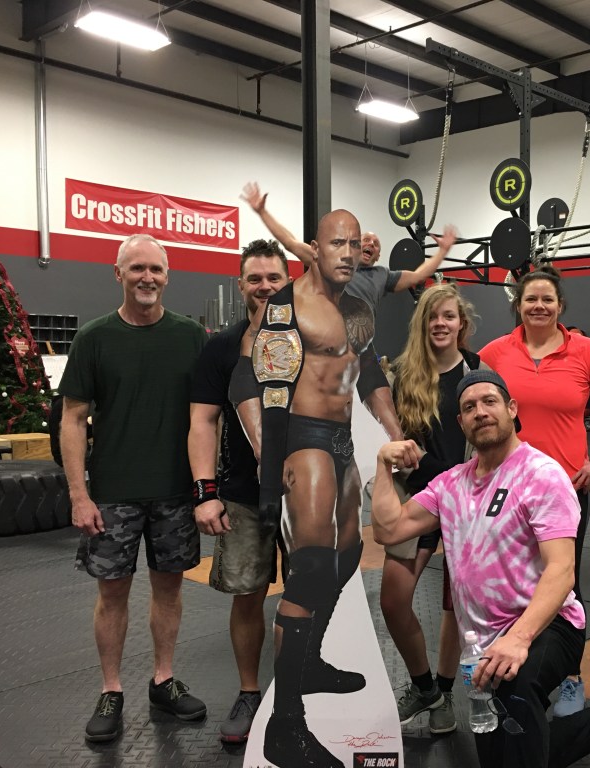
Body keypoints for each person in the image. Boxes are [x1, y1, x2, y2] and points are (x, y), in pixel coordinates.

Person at [370, 369, 590, 767]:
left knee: (516, 692)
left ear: (511, 409)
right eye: (469, 407)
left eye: (489, 401)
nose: (480, 412)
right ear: (461, 423)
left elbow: (562, 570)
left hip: (549, 625)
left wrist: (519, 638)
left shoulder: (542, 475)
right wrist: (382, 467)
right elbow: (388, 530)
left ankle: (575, 711)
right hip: (484, 643)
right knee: (510, 751)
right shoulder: (450, 484)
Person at [229, 209, 406, 768]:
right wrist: (270, 455)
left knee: (347, 555)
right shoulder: (287, 306)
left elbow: (369, 374)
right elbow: (252, 382)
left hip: (341, 439)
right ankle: (285, 726)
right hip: (301, 438)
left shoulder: (357, 308)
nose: (347, 253)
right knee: (309, 568)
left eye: (354, 243)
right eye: (337, 243)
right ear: (314, 248)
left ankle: (307, 665)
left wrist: (396, 433)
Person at [60, 234, 209, 743]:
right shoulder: (94, 338)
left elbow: (207, 417)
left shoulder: (191, 337)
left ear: (167, 276)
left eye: (156, 269)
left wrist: (205, 489)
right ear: (118, 273)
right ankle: (111, 689)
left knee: (170, 589)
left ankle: (163, 680)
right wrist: (79, 494)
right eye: (137, 268)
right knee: (112, 594)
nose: (148, 277)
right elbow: (73, 419)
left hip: (175, 492)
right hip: (112, 494)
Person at [478, 265, 590, 717]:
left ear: (560, 306)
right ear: (518, 305)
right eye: (531, 299)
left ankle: (570, 678)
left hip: (563, 493)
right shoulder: (495, 353)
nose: (539, 306)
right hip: (506, 492)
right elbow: (467, 403)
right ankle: (510, 668)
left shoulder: (585, 351)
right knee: (509, 583)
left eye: (547, 299)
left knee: (565, 586)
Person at [188, 239, 290, 743]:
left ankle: (295, 694)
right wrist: (206, 493)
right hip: (244, 494)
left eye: (274, 278)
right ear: (241, 284)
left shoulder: (310, 341)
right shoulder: (222, 348)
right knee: (248, 596)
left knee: (311, 596)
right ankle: (250, 693)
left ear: (288, 282)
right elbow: (202, 422)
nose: (265, 287)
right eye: (255, 278)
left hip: (305, 494)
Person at [380, 283, 487, 735]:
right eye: (432, 316)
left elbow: (499, 437)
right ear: (422, 323)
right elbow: (387, 440)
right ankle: (425, 688)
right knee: (393, 599)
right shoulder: (401, 374)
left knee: (458, 606)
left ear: (461, 323)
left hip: (468, 500)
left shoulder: (479, 372)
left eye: (448, 316)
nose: (440, 324)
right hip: (420, 498)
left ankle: (443, 691)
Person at [241, 181, 457, 319]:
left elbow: (418, 275)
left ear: (378, 256)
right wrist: (262, 212)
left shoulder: (382, 276)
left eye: (375, 244)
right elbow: (291, 243)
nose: (370, 244)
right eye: (365, 240)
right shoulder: (327, 262)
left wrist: (442, 251)